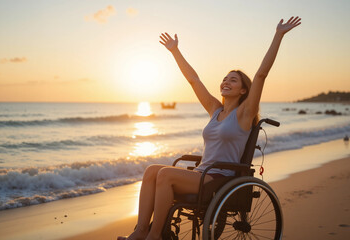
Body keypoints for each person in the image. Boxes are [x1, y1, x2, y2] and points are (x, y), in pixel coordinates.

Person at [118, 16, 301, 240]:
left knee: (165, 174)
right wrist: (175, 51)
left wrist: (278, 35)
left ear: (243, 91)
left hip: (219, 178)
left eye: (233, 80)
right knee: (151, 171)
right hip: (202, 174)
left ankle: (155, 235)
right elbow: (194, 80)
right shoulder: (215, 109)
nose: (226, 82)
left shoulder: (244, 114)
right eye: (224, 79)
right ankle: (141, 231)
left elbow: (261, 74)